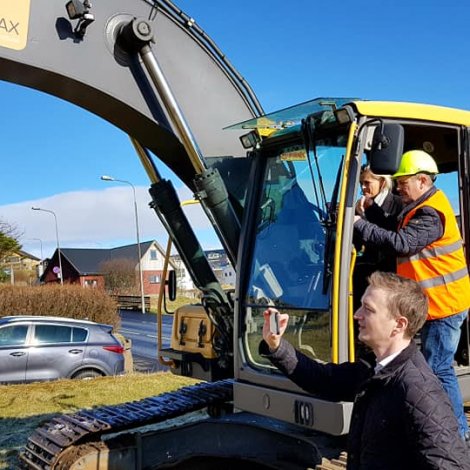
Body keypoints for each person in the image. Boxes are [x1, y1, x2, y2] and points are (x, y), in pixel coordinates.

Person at [260, 272, 470, 469]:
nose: (356, 315)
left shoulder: (418, 390)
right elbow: (323, 379)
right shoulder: (375, 368)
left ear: (399, 324)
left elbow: (451, 464)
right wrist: (276, 346)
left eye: (368, 309)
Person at [353, 149, 470, 439]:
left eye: (403, 182)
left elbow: (403, 243)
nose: (399, 187)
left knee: (438, 370)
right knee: (432, 367)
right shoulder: (420, 206)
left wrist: (360, 225)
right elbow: (396, 227)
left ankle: (456, 432)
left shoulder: (431, 213)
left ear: (422, 181)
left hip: (445, 305)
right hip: (434, 303)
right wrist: (372, 211)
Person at [353, 165, 402, 310]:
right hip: (366, 277)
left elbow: (394, 239)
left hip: (391, 277)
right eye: (361, 183)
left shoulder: (399, 205)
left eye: (367, 183)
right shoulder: (359, 206)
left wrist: (363, 221)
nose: (363, 187)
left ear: (382, 182)